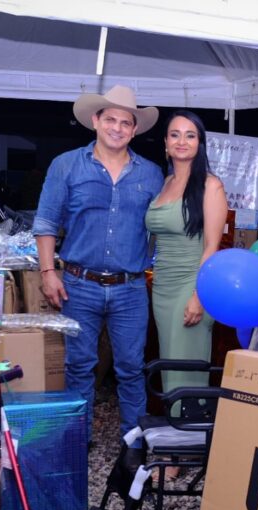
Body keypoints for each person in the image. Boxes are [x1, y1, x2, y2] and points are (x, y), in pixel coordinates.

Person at [33, 85, 163, 447]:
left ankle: (134, 442)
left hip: (131, 287)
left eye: (126, 122)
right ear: (96, 121)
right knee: (79, 366)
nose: (118, 128)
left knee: (131, 369)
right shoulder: (66, 165)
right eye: (111, 120)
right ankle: (78, 439)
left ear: (134, 130)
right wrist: (48, 272)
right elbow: (45, 222)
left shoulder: (151, 174)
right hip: (78, 284)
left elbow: (161, 228)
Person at [146, 111, 228, 477]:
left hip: (192, 286)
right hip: (161, 285)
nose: (182, 141)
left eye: (190, 135)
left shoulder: (210, 186)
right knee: (171, 367)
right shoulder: (164, 184)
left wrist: (198, 295)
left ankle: (182, 455)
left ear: (200, 144)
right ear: (165, 143)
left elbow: (212, 246)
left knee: (185, 369)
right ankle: (183, 444)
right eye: (175, 135)